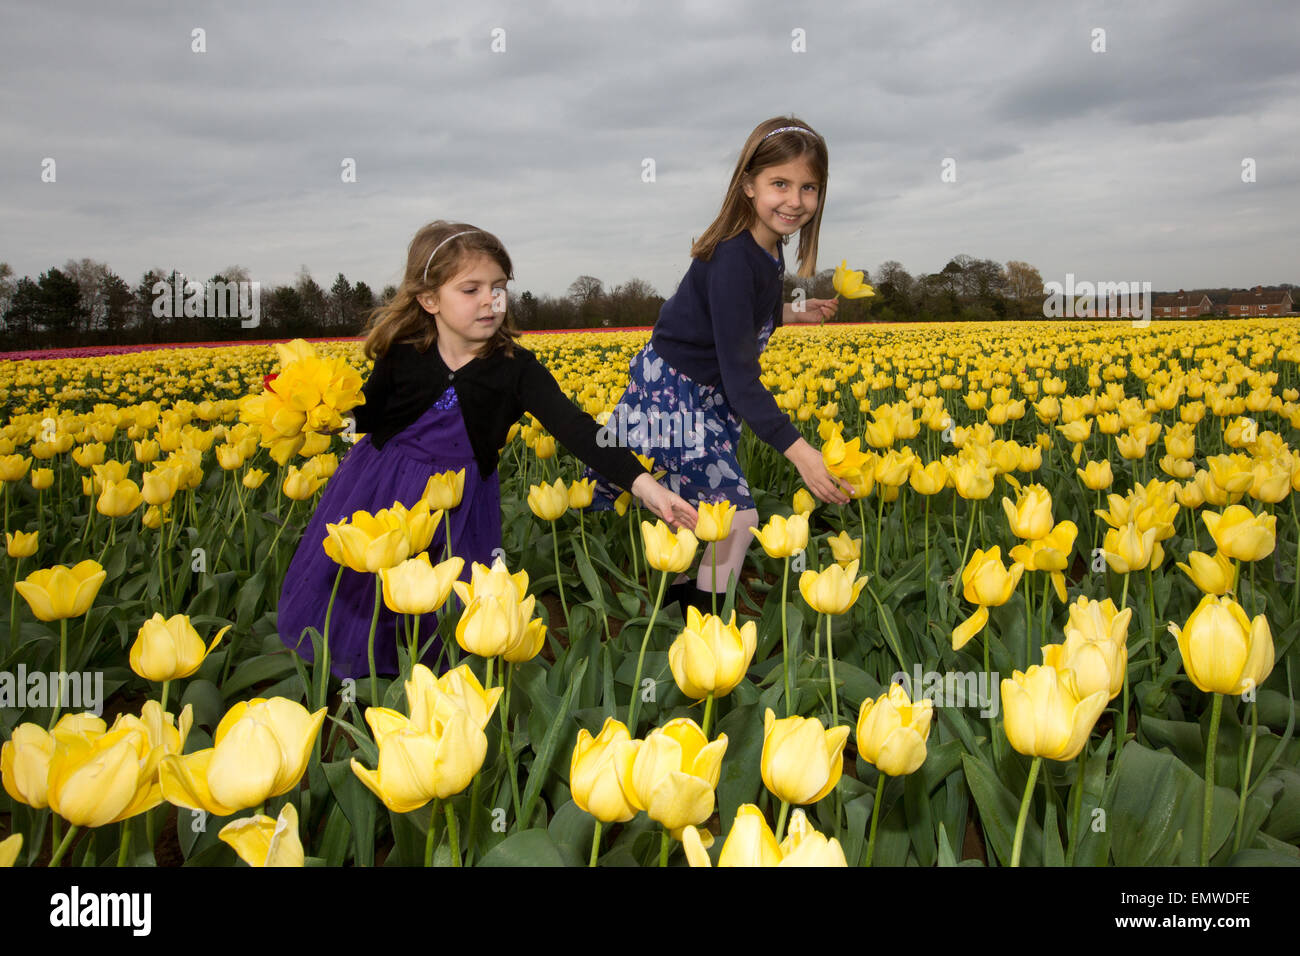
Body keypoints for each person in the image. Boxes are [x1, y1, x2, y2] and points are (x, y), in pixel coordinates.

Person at [276, 221, 698, 681]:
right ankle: (363, 687)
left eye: (499, 288)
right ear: (429, 299)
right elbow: (370, 417)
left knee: (446, 609)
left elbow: (576, 428)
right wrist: (323, 420)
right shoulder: (403, 353)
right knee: (367, 592)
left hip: (459, 506)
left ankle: (434, 691)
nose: (489, 301)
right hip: (382, 489)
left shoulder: (515, 369)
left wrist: (643, 485)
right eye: (471, 289)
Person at [584, 116, 852, 613]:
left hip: (698, 392)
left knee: (689, 514)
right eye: (780, 184)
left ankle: (679, 626)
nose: (795, 200)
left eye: (808, 187)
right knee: (738, 520)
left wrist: (794, 311)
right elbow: (741, 377)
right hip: (676, 392)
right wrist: (800, 453)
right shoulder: (733, 258)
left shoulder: (765, 252)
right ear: (748, 185)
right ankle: (702, 632)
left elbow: (733, 318)